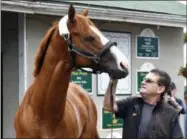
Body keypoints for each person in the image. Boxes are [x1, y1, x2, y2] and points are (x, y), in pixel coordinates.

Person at [103, 68, 183, 139]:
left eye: (148, 81)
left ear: (160, 89)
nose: (142, 82)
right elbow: (108, 106)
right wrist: (113, 80)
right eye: (144, 79)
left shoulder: (171, 113)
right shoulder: (131, 103)